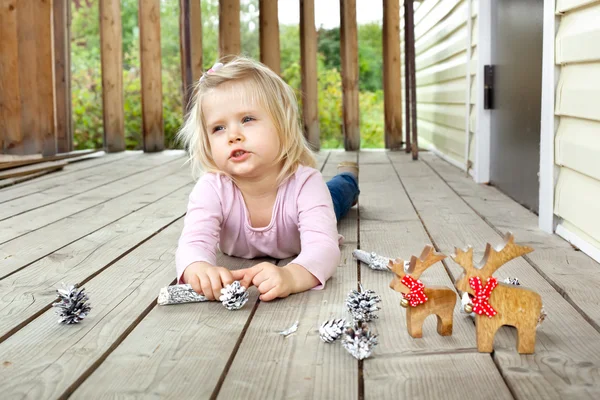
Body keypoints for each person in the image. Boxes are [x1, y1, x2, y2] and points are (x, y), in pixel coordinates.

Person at [175, 56, 359, 302]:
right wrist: (198, 268)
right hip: (297, 210)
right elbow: (193, 241)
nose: (233, 136)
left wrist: (292, 276)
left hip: (311, 201)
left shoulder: (306, 184)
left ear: (282, 124)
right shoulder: (211, 188)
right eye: (218, 128)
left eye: (247, 119)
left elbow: (324, 248)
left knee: (338, 192)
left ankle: (349, 176)